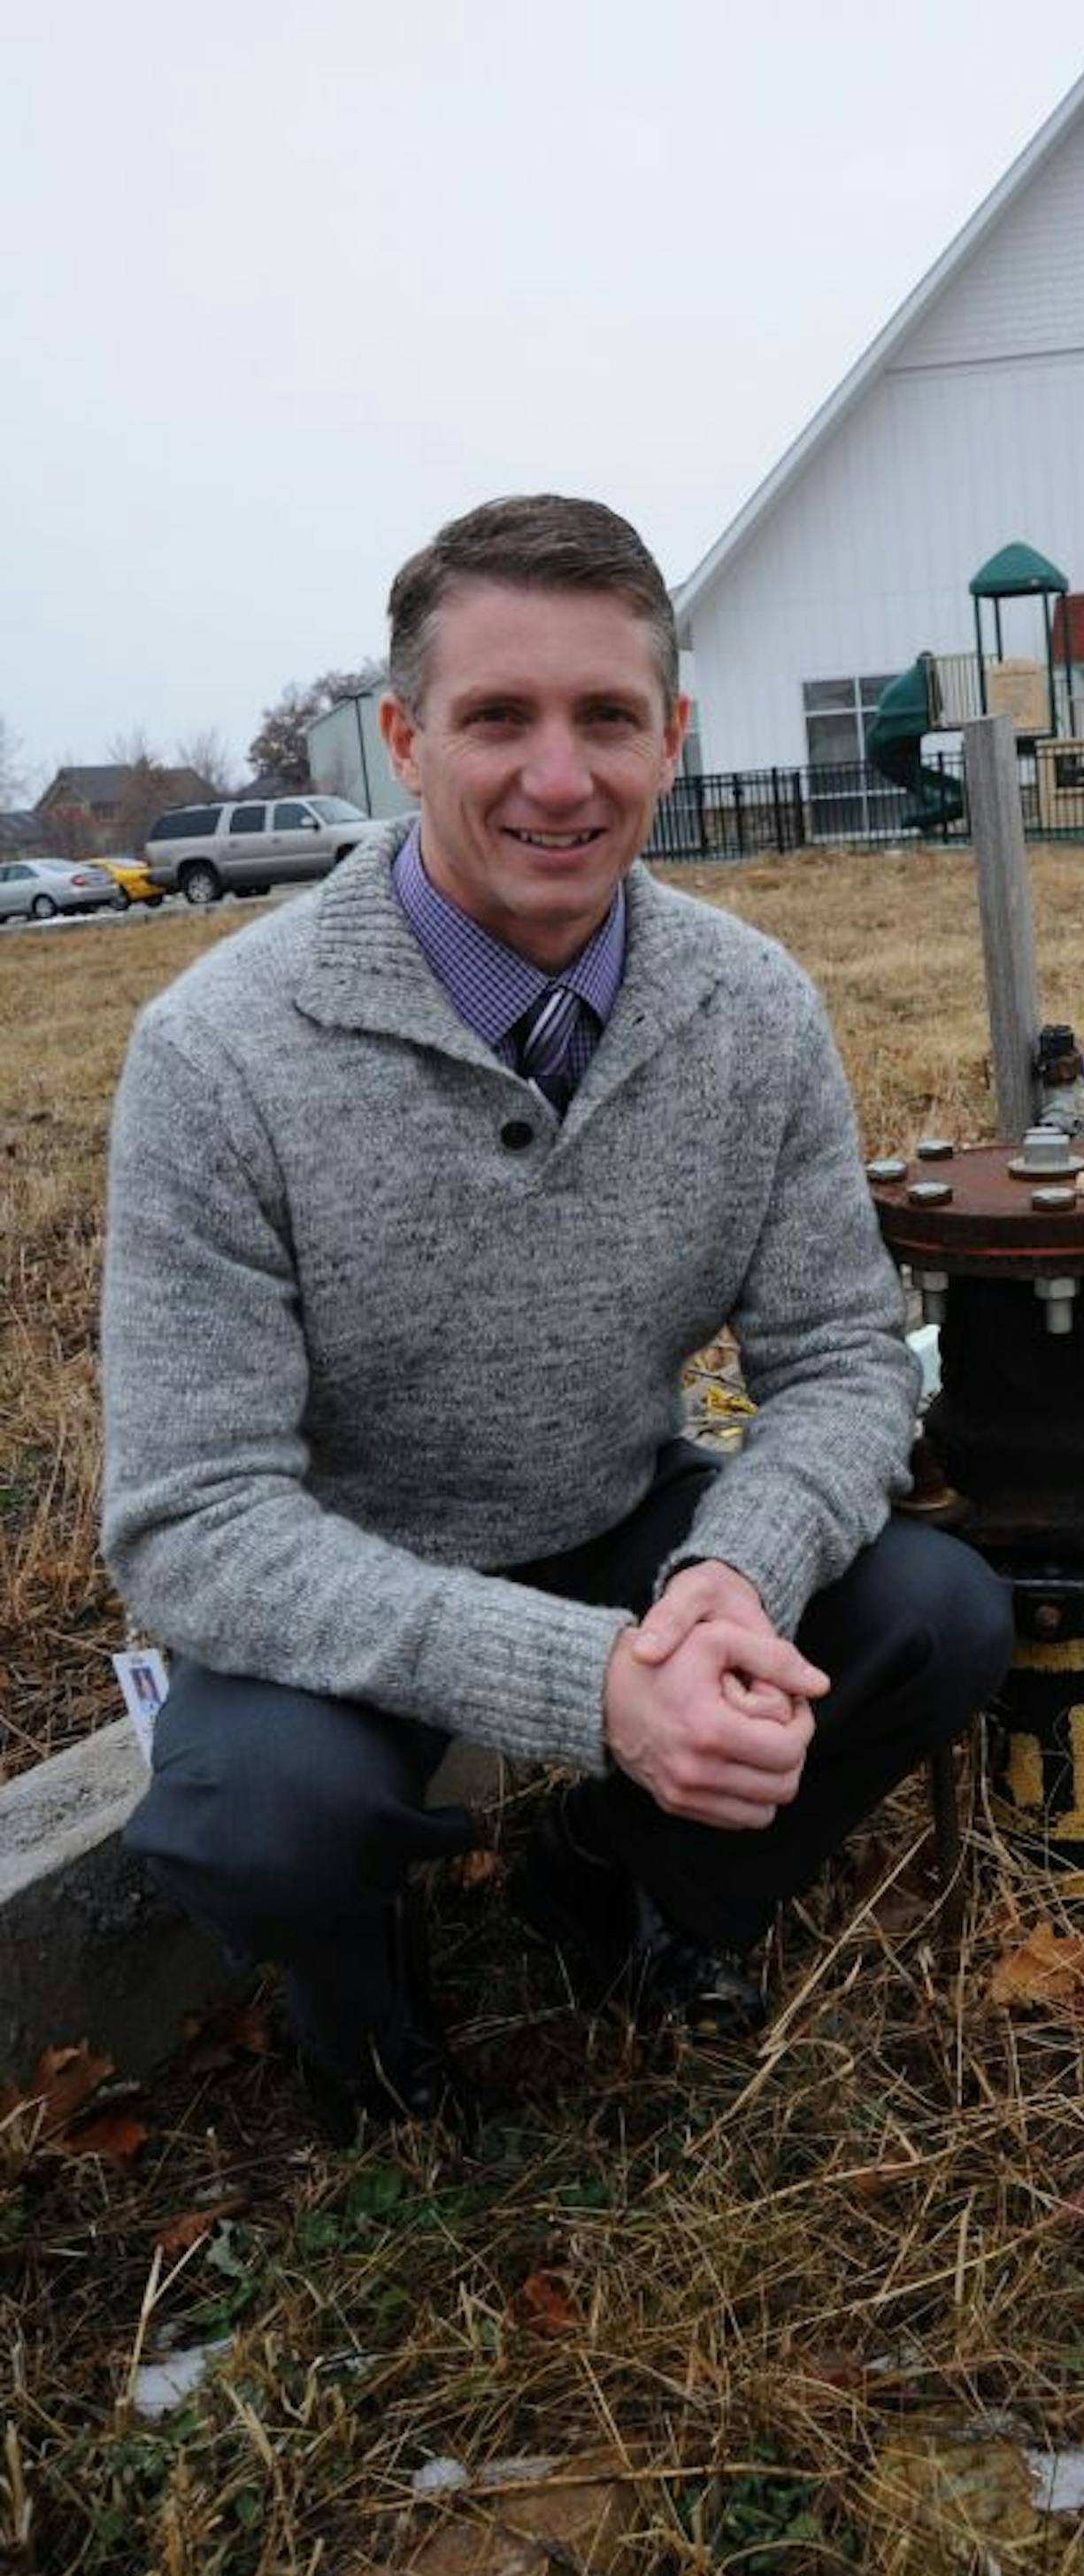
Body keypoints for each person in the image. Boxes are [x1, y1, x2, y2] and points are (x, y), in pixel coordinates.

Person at [101, 492, 1012, 2139]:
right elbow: (192, 1520)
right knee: (256, 1817)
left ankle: (610, 1880)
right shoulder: (217, 1055)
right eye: (497, 717)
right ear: (402, 737)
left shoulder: (750, 1010)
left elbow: (838, 1365)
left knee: (938, 1613)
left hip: (615, 1517)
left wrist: (730, 1577)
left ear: (672, 736)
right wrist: (600, 1687)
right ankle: (360, 1997)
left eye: (607, 718)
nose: (558, 777)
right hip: (340, 1573)